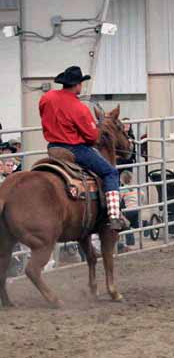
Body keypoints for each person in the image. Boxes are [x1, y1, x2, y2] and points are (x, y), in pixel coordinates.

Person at [39, 66, 128, 230]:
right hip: (75, 149)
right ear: (77, 85)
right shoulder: (79, 107)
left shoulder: (47, 98)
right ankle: (114, 216)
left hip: (53, 147)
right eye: (81, 83)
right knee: (110, 172)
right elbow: (92, 137)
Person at [119, 171, 144, 250]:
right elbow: (142, 194)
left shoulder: (123, 189)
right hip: (136, 209)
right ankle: (146, 224)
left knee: (126, 224)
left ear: (121, 180)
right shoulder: (135, 187)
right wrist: (140, 204)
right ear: (131, 179)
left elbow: (119, 198)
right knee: (135, 223)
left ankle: (130, 241)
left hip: (128, 210)